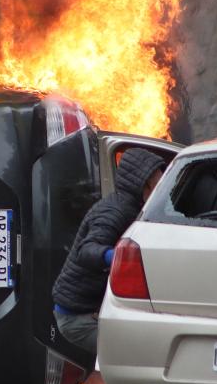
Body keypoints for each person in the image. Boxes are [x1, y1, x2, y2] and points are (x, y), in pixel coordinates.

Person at [51, 148, 165, 354]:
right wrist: (119, 257)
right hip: (77, 318)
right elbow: (86, 250)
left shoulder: (135, 209)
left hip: (92, 311)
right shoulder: (115, 211)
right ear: (142, 183)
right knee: (133, 356)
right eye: (157, 183)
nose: (161, 189)